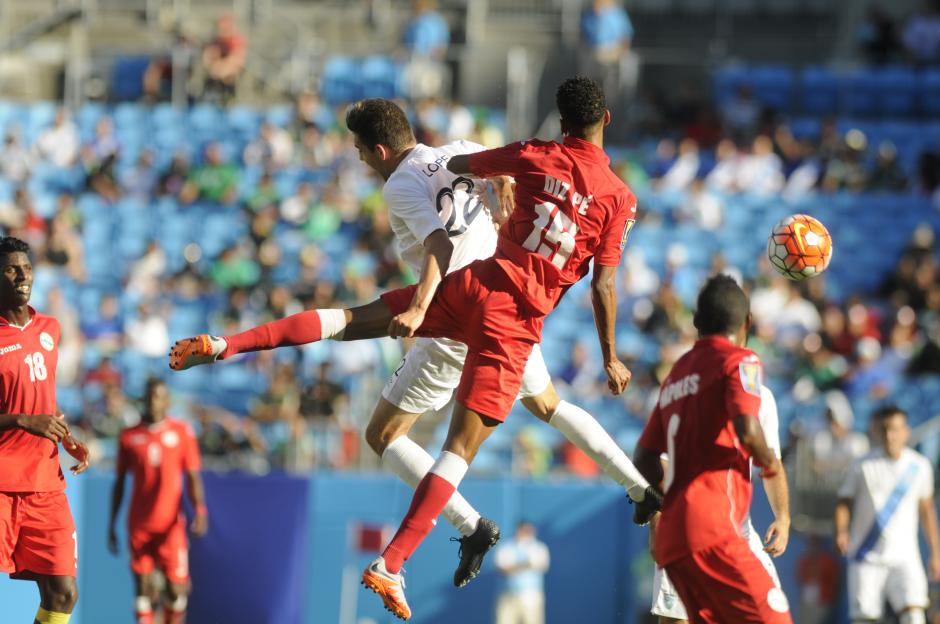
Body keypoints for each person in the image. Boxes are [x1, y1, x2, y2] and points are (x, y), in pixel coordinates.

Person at [169, 76, 660, 620]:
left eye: (360, 153)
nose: (360, 161)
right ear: (607, 119)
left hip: (470, 289)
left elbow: (444, 228)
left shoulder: (521, 155)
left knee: (370, 385)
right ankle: (631, 491)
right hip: (513, 315)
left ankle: (228, 344)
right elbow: (603, 283)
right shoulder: (616, 196)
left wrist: (426, 297)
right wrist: (611, 355)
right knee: (503, 428)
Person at [634, 275, 792, 623]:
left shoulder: (676, 376)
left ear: (695, 321)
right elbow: (747, 429)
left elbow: (644, 458)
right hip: (714, 528)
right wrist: (771, 466)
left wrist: (655, 508)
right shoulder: (741, 362)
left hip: (679, 536)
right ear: (747, 322)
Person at [0, 235, 90, 624]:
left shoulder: (50, 329)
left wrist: (65, 436)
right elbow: (26, 411)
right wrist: (22, 420)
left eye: (28, 268)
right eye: (12, 269)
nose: (23, 276)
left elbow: (43, 399)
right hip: (2, 482)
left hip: (45, 482)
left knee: (63, 594)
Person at [649, 383, 790, 623]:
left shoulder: (760, 395)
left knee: (770, 615)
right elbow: (658, 464)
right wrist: (658, 525)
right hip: (687, 531)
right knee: (678, 619)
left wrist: (783, 517)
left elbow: (771, 460)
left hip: (738, 532)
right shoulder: (681, 388)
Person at [109, 377, 208, 624]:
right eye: (150, 396)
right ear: (144, 399)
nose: (154, 402)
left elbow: (193, 477)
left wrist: (200, 510)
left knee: (176, 590)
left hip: (171, 525)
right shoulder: (129, 436)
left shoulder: (182, 432)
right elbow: (120, 482)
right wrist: (112, 524)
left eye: (159, 397)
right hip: (139, 525)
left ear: (167, 401)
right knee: (143, 589)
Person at [834, 405, 940, 624]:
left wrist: (935, 553)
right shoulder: (861, 465)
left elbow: (927, 511)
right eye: (885, 429)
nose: (890, 435)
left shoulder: (919, 466)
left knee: (914, 614)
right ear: (877, 431)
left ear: (906, 432)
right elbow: (844, 502)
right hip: (866, 555)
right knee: (865, 618)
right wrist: (842, 531)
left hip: (905, 557)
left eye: (895, 429)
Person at [494, 521, 550, 624]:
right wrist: (525, 564)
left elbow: (542, 565)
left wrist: (515, 566)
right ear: (518, 530)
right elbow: (502, 568)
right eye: (524, 530)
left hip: (531, 596)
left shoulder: (539, 547)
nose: (526, 533)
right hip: (508, 596)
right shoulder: (506, 547)